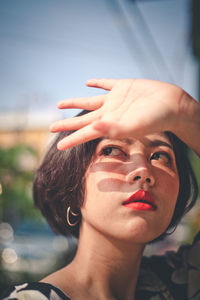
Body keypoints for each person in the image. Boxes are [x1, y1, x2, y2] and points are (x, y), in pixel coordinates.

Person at [1, 79, 200, 300]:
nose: (143, 171)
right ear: (73, 185)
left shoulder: (184, 282)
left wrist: (185, 109)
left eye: (160, 156)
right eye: (113, 150)